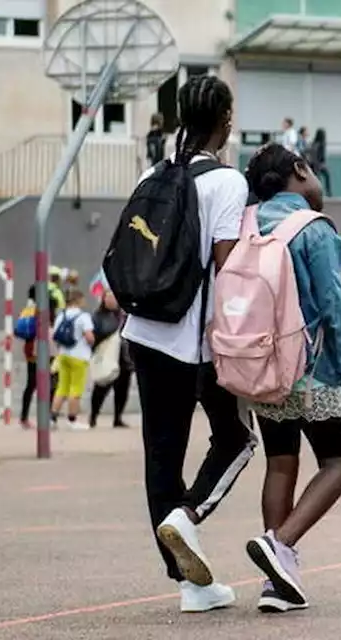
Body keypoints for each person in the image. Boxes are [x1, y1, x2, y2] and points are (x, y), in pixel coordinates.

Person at [120, 75, 257, 613]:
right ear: (223, 118)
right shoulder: (228, 182)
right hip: (192, 341)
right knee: (236, 439)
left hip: (143, 332)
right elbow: (228, 268)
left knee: (161, 453)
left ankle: (190, 586)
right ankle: (189, 515)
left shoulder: (153, 172)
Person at [241, 144, 341, 613]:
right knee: (340, 461)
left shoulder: (246, 223)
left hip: (260, 366)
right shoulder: (312, 229)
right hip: (312, 370)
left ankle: (277, 584)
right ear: (299, 171)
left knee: (280, 463)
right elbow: (336, 308)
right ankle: (282, 546)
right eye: (311, 170)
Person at [50, 289, 95, 431]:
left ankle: (52, 418)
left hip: (63, 355)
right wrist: (92, 342)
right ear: (78, 300)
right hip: (79, 356)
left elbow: (55, 335)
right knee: (76, 388)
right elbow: (89, 337)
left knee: (62, 387)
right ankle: (72, 419)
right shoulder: (83, 316)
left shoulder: (60, 315)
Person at [89, 289, 132, 428]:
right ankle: (94, 415)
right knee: (101, 388)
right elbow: (97, 334)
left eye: (114, 298)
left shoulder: (125, 315)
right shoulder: (98, 316)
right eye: (108, 298)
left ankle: (118, 417)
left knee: (122, 390)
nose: (111, 301)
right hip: (107, 356)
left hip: (123, 358)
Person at [17, 285, 59, 428]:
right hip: (48, 349)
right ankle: (48, 416)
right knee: (52, 383)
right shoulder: (48, 307)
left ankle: (24, 418)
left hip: (31, 351)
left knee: (31, 384)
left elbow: (19, 331)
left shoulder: (27, 309)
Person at [305, 128, 331, 197]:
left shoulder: (314, 143)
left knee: (317, 179)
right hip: (320, 164)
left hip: (314, 164)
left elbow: (309, 151)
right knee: (326, 176)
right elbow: (321, 155)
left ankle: (319, 193)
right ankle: (328, 192)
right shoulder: (322, 143)